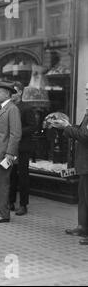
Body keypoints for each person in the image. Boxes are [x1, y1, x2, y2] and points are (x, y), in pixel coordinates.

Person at [52, 82, 88, 246]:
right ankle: (82, 227)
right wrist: (66, 128)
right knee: (83, 198)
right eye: (86, 89)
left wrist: (67, 127)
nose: (86, 93)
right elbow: (82, 132)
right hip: (84, 164)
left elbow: (85, 136)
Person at [0, 81, 22, 223]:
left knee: (3, 185)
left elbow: (16, 134)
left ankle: (4, 214)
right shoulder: (3, 108)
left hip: (4, 155)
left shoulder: (12, 109)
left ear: (7, 93)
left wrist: (9, 154)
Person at [8, 81, 37, 216]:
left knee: (23, 176)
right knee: (11, 175)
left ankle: (23, 205)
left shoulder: (27, 108)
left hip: (23, 147)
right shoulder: (9, 107)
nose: (10, 94)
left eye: (13, 91)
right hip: (11, 147)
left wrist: (17, 131)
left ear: (19, 92)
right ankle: (10, 202)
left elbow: (32, 127)